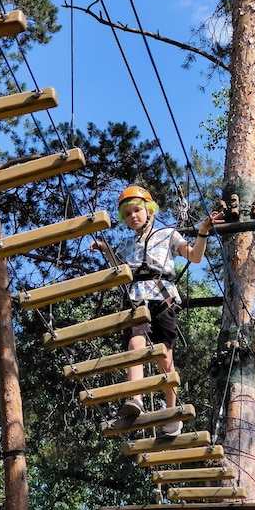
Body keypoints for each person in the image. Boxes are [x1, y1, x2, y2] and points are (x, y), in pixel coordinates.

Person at [90, 185, 224, 436]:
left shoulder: (168, 235)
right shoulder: (125, 245)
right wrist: (105, 248)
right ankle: (136, 398)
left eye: (137, 210)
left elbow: (194, 257)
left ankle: (172, 413)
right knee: (135, 345)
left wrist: (203, 232)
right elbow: (118, 269)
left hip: (162, 298)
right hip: (136, 300)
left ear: (149, 210)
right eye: (128, 214)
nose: (133, 216)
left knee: (164, 357)